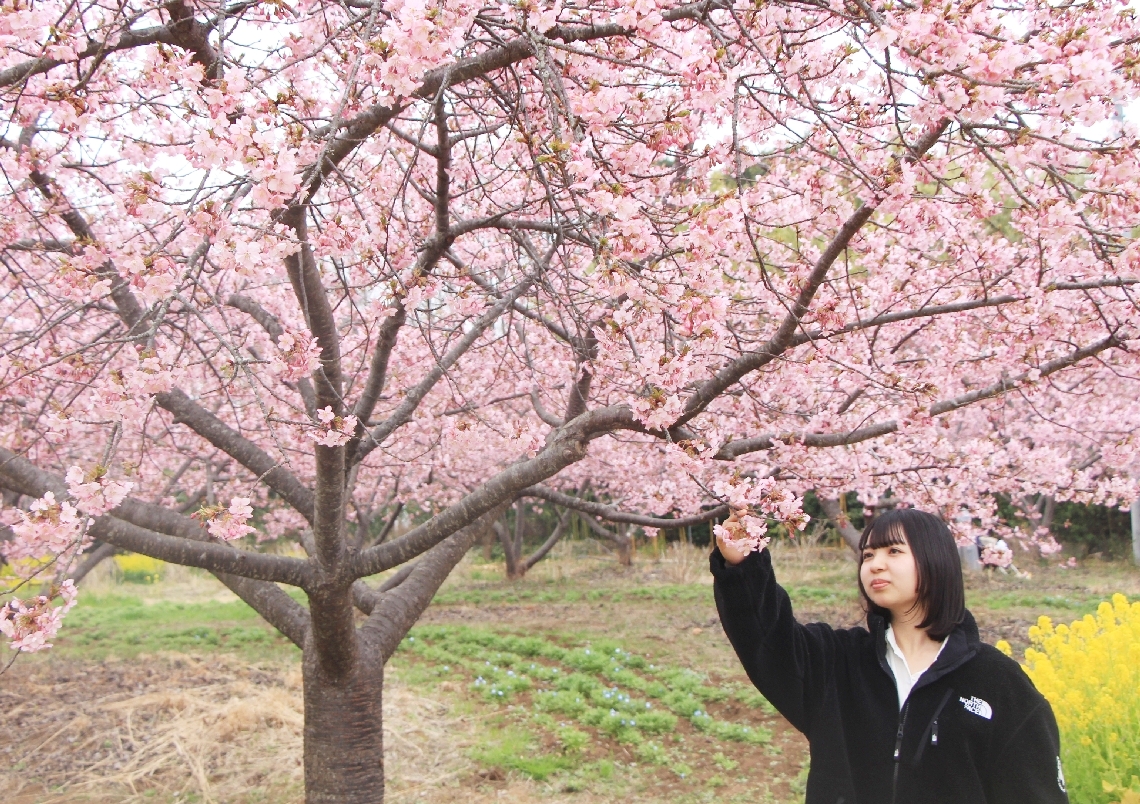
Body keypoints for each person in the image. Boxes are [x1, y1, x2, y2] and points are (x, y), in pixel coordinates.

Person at [711, 508, 1068, 804]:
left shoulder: (997, 682)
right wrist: (743, 566)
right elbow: (767, 639)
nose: (875, 565)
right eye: (868, 555)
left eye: (893, 552)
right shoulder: (838, 663)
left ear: (936, 561)